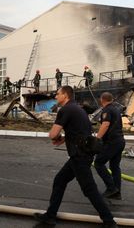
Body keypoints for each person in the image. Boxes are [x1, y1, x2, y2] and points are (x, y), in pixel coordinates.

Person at [33, 86, 117, 228]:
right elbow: (79, 131)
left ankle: (109, 221)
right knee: (60, 180)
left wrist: (57, 136)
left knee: (89, 189)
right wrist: (64, 138)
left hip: (80, 156)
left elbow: (53, 134)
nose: (55, 97)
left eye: (57, 94)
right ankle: (50, 216)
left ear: (65, 95)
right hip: (81, 154)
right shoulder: (78, 109)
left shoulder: (65, 110)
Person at [94, 92, 125, 200]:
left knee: (98, 163)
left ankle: (111, 188)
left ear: (102, 100)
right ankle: (117, 192)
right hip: (120, 141)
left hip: (112, 142)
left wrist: (97, 139)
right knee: (115, 167)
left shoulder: (107, 110)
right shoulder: (116, 109)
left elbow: (105, 124)